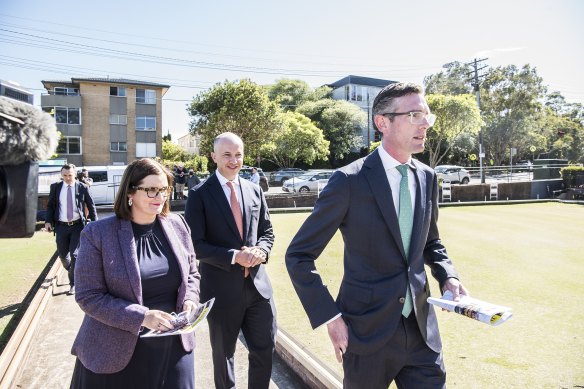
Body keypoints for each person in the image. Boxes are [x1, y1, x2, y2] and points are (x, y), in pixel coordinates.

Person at [286, 82, 469, 389]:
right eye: (414, 114)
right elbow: (299, 256)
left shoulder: (427, 177)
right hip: (365, 335)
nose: (425, 123)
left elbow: (431, 241)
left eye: (426, 115)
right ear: (382, 122)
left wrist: (448, 275)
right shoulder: (348, 181)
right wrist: (331, 318)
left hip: (423, 335)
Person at [70, 158, 200, 389]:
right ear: (130, 192)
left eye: (164, 189)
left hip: (174, 348)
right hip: (116, 355)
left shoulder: (178, 224)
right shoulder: (97, 233)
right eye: (151, 190)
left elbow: (192, 274)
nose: (159, 197)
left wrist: (190, 299)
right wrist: (142, 317)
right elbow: (88, 296)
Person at [185, 132, 276, 389]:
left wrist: (261, 250)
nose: (234, 160)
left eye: (238, 154)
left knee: (265, 349)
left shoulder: (254, 189)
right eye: (227, 154)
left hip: (258, 290)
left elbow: (267, 232)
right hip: (221, 291)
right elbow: (195, 245)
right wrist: (236, 257)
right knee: (224, 356)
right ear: (213, 156)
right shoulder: (199, 194)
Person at [45, 164, 97, 295]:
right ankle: (72, 269)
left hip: (77, 226)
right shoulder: (55, 187)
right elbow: (50, 206)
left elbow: (91, 206)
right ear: (62, 175)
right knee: (63, 255)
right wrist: (48, 221)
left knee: (75, 255)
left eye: (70, 175)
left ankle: (73, 283)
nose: (68, 178)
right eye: (65, 175)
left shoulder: (83, 187)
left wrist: (96, 225)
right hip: (61, 226)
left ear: (74, 174)